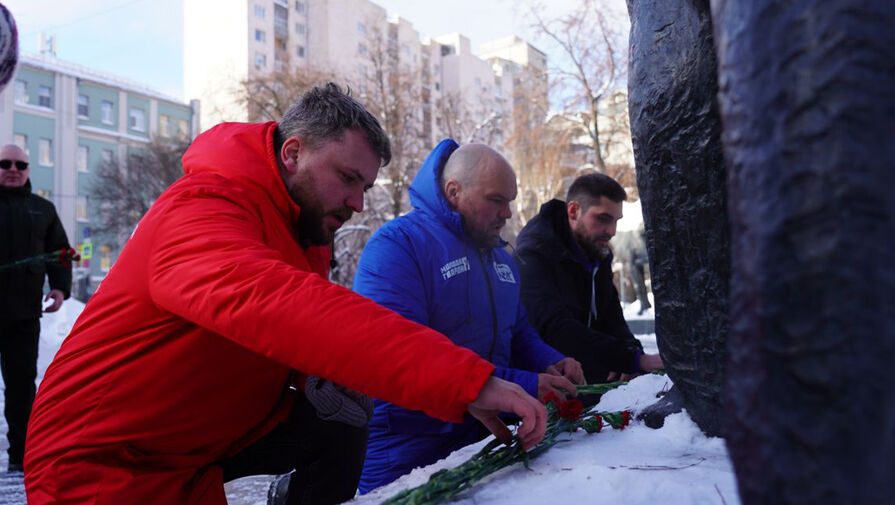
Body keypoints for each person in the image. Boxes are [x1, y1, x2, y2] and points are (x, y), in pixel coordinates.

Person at [23, 84, 547, 505]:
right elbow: (283, 307)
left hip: (191, 446)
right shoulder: (203, 208)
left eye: (365, 186)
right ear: (292, 153)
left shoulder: (298, 224)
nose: (357, 202)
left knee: (341, 414)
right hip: (101, 464)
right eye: (347, 178)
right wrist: (464, 380)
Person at [353, 140, 585, 493]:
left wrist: (550, 361)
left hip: (487, 437)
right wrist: (525, 384)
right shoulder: (398, 245)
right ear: (453, 192)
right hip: (408, 448)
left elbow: (518, 330)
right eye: (496, 200)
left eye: (510, 201)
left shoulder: (502, 259)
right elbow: (400, 357)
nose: (507, 213)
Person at [513, 173, 663, 384]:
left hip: (590, 379)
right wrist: (633, 359)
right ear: (573, 211)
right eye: (602, 219)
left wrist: (632, 352)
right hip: (546, 385)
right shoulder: (534, 255)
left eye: (615, 221)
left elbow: (612, 316)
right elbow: (555, 328)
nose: (611, 231)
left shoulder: (596, 252)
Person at [0, 144, 71, 474]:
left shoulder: (43, 209)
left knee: (21, 386)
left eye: (20, 164)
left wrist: (59, 287)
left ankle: (21, 455)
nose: (12, 168)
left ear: (28, 169)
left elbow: (60, 252)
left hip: (24, 314)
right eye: (4, 163)